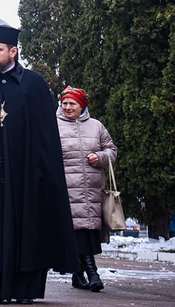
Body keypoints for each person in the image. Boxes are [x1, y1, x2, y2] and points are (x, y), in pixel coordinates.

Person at [0, 25, 77, 304]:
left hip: (26, 176)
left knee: (27, 231)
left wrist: (43, 173)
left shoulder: (34, 84)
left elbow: (46, 137)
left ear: (13, 52)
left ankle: (26, 289)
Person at [56, 86, 117, 292]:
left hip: (92, 190)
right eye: (64, 103)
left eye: (72, 103)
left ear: (82, 105)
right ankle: (93, 274)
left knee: (87, 233)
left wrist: (100, 158)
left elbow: (111, 150)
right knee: (78, 233)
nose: (67, 107)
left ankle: (77, 274)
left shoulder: (96, 126)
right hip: (66, 189)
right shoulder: (53, 126)